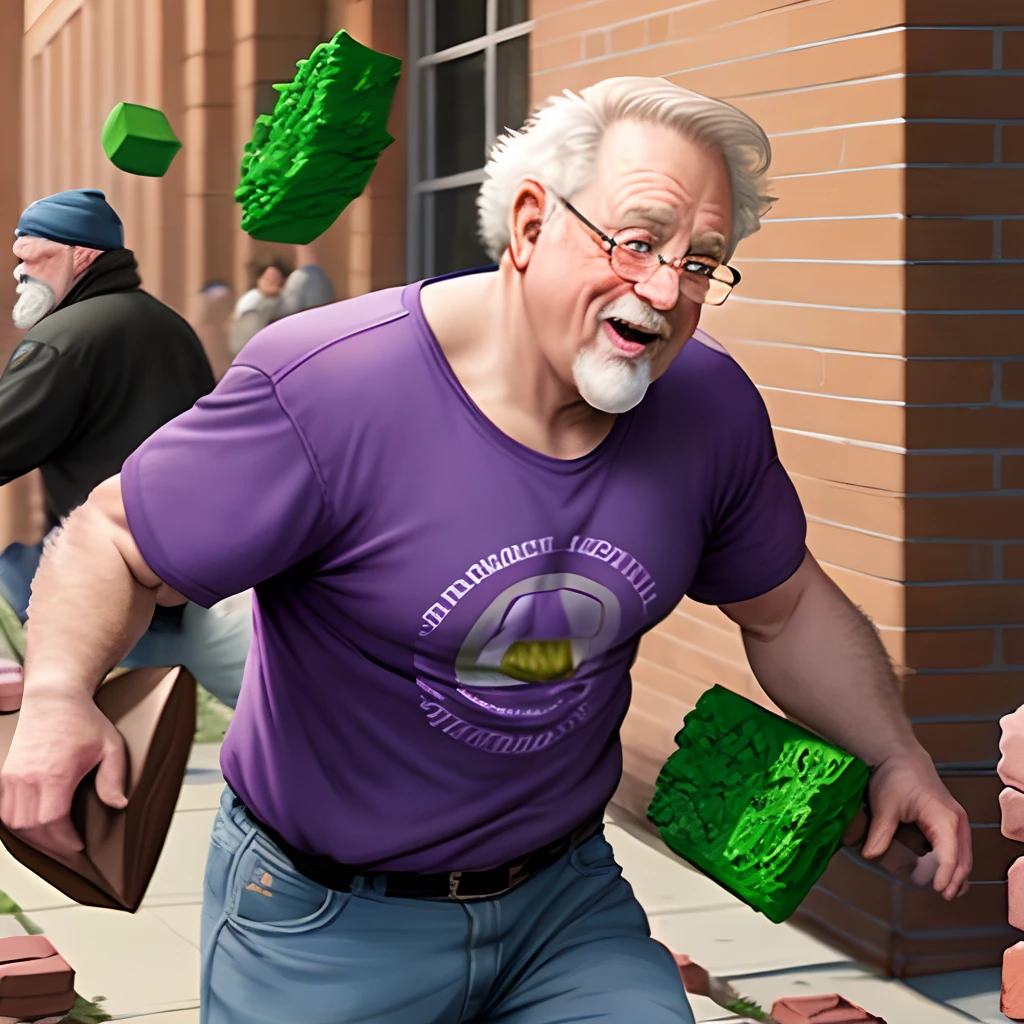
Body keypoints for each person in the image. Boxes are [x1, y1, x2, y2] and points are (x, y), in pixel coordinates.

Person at [0, 79, 971, 1024]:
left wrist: (893, 753)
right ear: (530, 223)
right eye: (637, 242)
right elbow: (115, 537)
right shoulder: (331, 388)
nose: (666, 290)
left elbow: (786, 605)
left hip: (566, 904)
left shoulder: (708, 406)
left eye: (702, 260)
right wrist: (54, 698)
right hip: (324, 922)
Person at [0, 188, 249, 709]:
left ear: (80, 255)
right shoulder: (167, 325)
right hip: (194, 569)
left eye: (30, 256)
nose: (19, 271)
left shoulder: (63, 339)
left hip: (105, 570)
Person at [229, 245, 335, 356]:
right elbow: (243, 346)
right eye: (268, 278)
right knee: (310, 274)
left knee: (310, 274)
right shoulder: (254, 302)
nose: (271, 279)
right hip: (265, 355)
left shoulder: (258, 301)